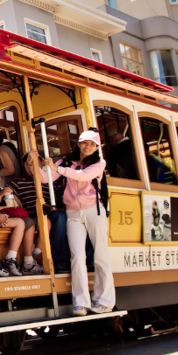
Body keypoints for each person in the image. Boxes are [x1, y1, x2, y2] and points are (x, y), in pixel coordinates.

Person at [32, 129, 115, 316]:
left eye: (92, 144)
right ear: (78, 143)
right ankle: (80, 303)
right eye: (85, 143)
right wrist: (34, 162)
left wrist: (57, 168)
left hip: (94, 210)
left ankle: (105, 301)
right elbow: (45, 178)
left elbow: (82, 176)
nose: (88, 147)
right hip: (73, 214)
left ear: (97, 148)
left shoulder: (99, 163)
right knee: (77, 258)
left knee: (100, 256)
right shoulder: (66, 161)